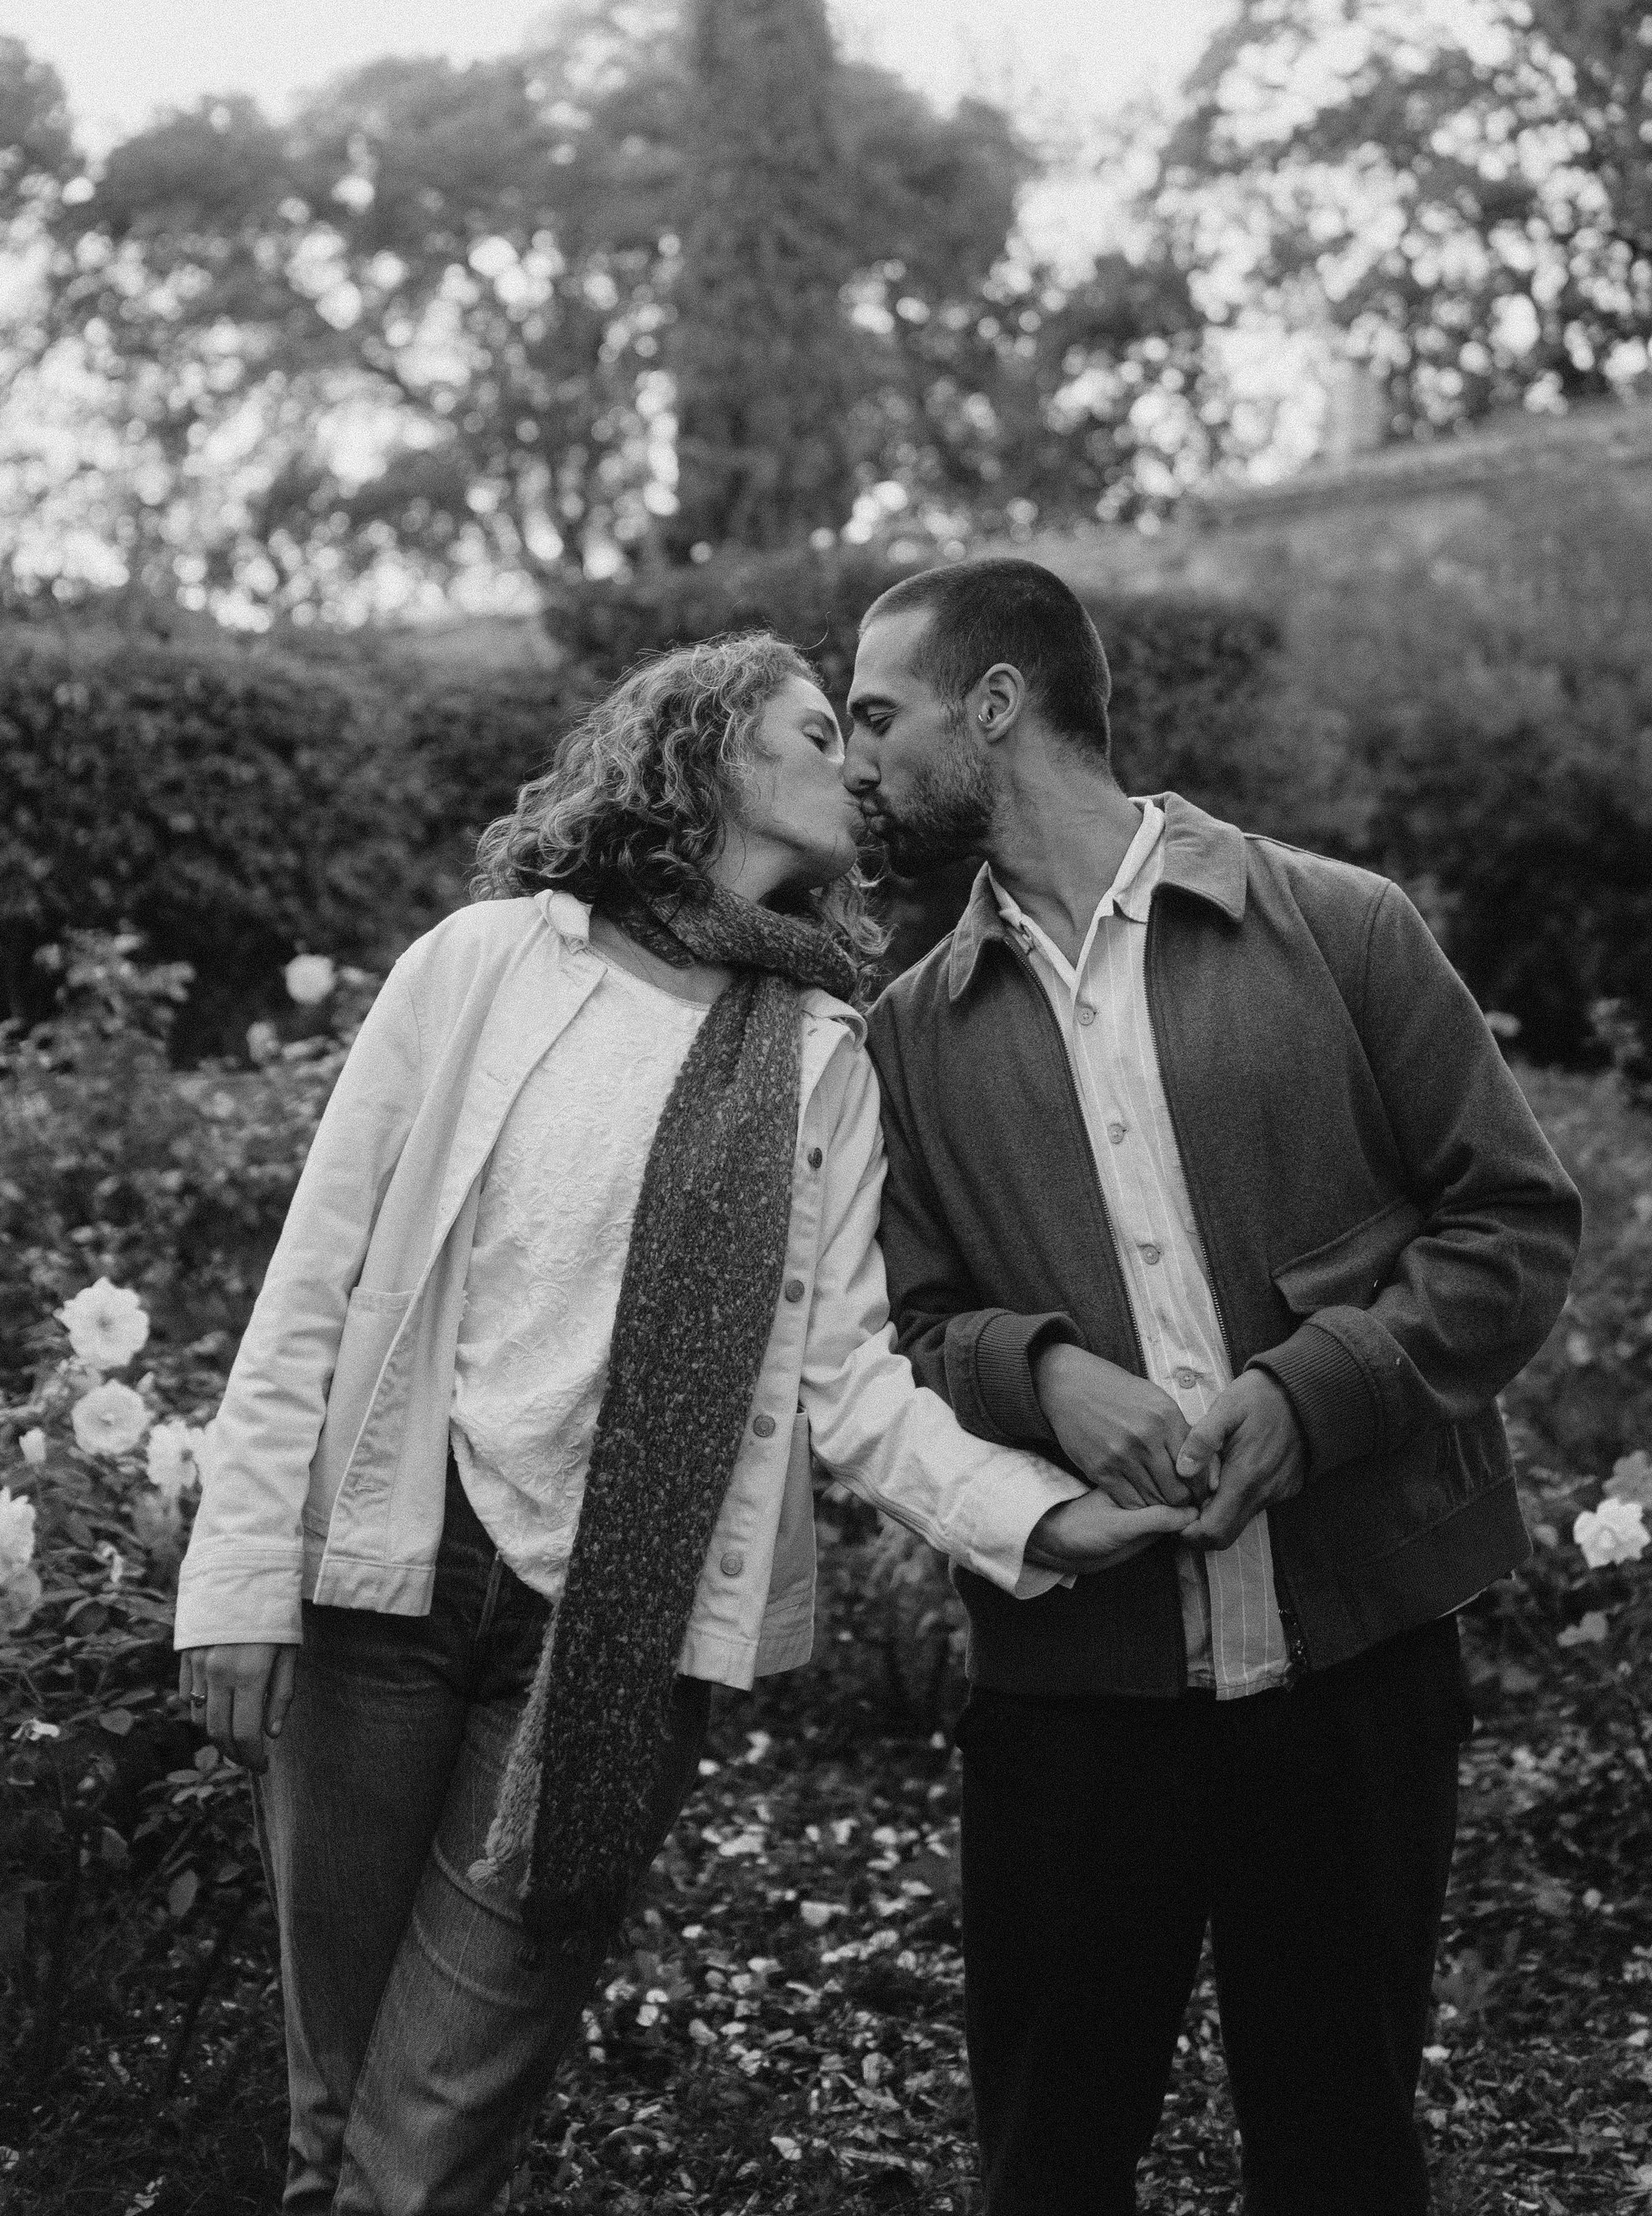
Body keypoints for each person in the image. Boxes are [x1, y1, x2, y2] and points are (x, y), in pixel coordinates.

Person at [174, 632, 1186, 2216]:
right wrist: (236, 1581)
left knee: (423, 2146)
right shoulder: (490, 963)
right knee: (332, 2122)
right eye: (809, 729)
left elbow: (849, 1385)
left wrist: (1040, 1519)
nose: (852, 763)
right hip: (382, 1581)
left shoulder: (819, 1054)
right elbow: (316, 1277)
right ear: (704, 754)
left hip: (611, 1645)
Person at [845, 559, 1582, 2216]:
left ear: (996, 704)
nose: (852, 765)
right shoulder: (898, 1034)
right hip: (1067, 1695)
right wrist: (1045, 1379)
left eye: (875, 718)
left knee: (1339, 2153)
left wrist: (1314, 1392)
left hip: (1361, 1669)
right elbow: (897, 1323)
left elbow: (1509, 1222)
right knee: (1045, 2161)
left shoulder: (1339, 927)